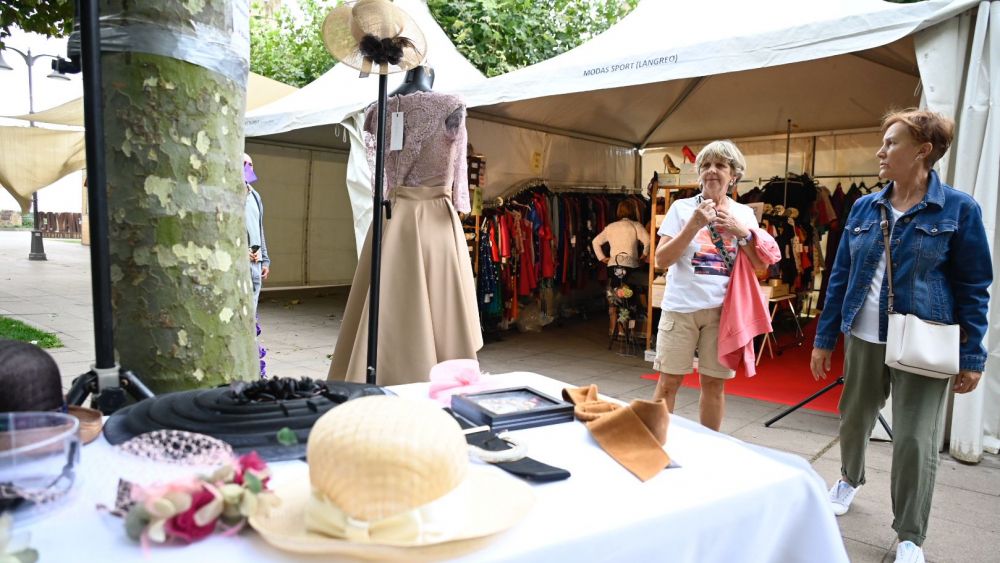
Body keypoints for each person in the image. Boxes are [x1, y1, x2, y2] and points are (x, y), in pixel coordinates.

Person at [810, 109, 991, 563]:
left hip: (924, 341)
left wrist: (972, 354)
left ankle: (910, 534)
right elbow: (841, 275)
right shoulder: (864, 207)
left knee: (914, 440)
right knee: (854, 418)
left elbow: (973, 285)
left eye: (891, 142)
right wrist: (825, 336)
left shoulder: (959, 209)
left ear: (922, 151)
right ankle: (849, 478)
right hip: (865, 336)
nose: (881, 151)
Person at [328, 71, 482, 386]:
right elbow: (458, 172)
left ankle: (376, 374)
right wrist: (459, 202)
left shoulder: (376, 110)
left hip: (391, 217)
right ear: (430, 73)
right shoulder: (452, 105)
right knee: (420, 304)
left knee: (386, 299)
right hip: (433, 221)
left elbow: (379, 179)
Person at [650, 140, 765, 431]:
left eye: (720, 165)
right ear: (698, 173)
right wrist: (694, 224)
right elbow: (661, 260)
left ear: (734, 174)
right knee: (668, 383)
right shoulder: (680, 208)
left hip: (723, 312)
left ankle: (711, 448)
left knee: (714, 385)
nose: (712, 171)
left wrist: (742, 233)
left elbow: (760, 265)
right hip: (680, 309)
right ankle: (654, 445)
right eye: (706, 165)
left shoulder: (745, 214)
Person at [592, 199, 650, 335]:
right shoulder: (636, 226)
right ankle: (625, 329)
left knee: (614, 294)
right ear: (634, 211)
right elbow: (648, 242)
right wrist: (643, 256)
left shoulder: (611, 227)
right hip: (630, 266)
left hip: (614, 266)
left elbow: (595, 242)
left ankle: (613, 329)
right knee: (628, 296)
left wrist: (602, 258)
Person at [243, 152, 270, 319]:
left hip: (256, 264)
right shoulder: (230, 195)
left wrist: (265, 260)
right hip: (240, 264)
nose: (247, 167)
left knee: (252, 312)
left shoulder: (255, 195)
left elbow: (260, 230)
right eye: (243, 163)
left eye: (250, 164)